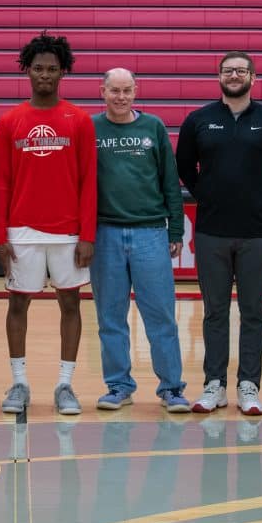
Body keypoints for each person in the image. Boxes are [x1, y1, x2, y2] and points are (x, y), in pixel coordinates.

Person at [175, 52, 262, 416]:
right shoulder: (198, 120)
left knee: (253, 311)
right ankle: (215, 384)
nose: (234, 75)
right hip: (211, 231)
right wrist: (209, 196)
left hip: (257, 234)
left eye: (241, 70)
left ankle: (249, 384)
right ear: (219, 76)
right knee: (214, 312)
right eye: (228, 71)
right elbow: (185, 167)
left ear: (253, 78)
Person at [0, 32, 97, 415]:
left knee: (70, 303)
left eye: (52, 69)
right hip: (22, 230)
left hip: (68, 232)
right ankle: (19, 382)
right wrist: (0, 238)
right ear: (27, 71)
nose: (45, 76)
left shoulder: (80, 120)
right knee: (18, 303)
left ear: (63, 72)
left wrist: (87, 234)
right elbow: (1, 182)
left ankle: (65, 386)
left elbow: (89, 182)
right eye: (38, 69)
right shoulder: (10, 121)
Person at [90, 68, 189, 414]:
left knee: (161, 315)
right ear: (102, 92)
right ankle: (118, 386)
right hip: (105, 234)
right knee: (110, 316)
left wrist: (175, 230)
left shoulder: (153, 127)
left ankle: (172, 387)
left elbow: (170, 182)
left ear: (135, 92)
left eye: (126, 90)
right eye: (114, 90)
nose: (120, 97)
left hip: (150, 232)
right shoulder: (91, 128)